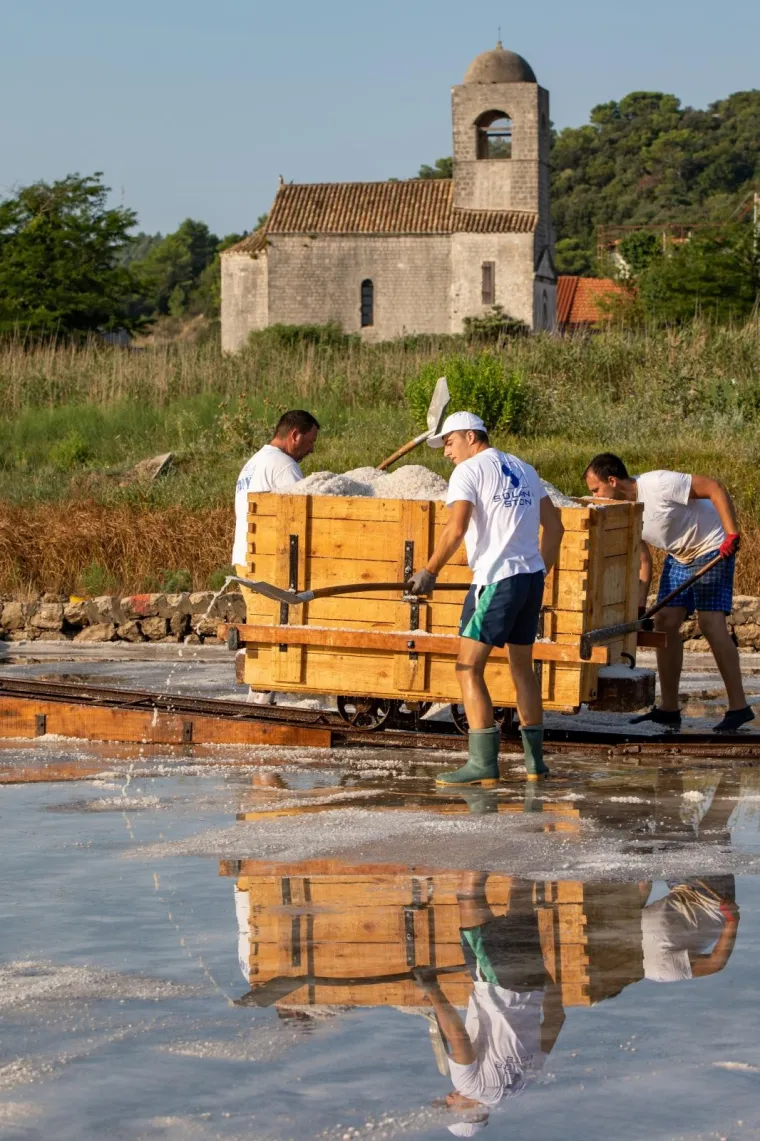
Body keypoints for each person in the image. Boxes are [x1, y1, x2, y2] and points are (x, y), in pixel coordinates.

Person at [407, 411, 564, 784]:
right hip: (529, 580)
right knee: (521, 668)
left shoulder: (469, 471)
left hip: (495, 580)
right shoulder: (524, 468)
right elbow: (555, 527)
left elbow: (456, 527)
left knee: (467, 668)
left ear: (470, 436)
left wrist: (429, 570)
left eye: (448, 442)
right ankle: (535, 765)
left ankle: (482, 764)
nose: (446, 452)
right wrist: (539, 570)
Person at [584, 454, 752, 734]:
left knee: (711, 625)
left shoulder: (659, 483)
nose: (595, 497)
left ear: (612, 481)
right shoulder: (626, 510)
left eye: (596, 490)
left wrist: (732, 534)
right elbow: (643, 561)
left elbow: (714, 487)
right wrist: (639, 605)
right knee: (665, 622)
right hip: (681, 557)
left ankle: (739, 707)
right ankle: (669, 709)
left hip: (712, 547)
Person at [415, 874, 566, 1134]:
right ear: (470, 1111)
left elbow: (556, 1019)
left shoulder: (522, 1084)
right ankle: (488, 843)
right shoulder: (471, 1087)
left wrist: (544, 976)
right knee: (468, 894)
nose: (449, 1098)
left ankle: (527, 837)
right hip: (496, 983)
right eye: (450, 1106)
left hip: (532, 982)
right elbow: (458, 1038)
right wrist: (432, 988)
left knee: (520, 893)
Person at [232, 410, 319, 703]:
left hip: (245, 558)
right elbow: (300, 519)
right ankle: (260, 702)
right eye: (309, 441)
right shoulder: (284, 467)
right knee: (270, 629)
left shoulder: (253, 463)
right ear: (294, 435)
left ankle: (261, 697)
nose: (311, 449)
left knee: (263, 627)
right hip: (265, 561)